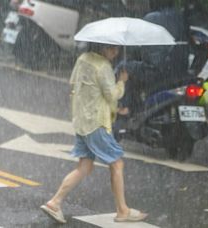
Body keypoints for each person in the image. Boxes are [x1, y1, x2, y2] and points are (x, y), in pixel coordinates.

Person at [40, 43, 147, 223]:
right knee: (117, 164)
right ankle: (122, 210)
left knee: (85, 167)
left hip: (82, 121)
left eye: (117, 49)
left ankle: (54, 202)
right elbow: (112, 95)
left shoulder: (83, 59)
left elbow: (75, 84)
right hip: (97, 123)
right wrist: (122, 81)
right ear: (102, 47)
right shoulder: (103, 66)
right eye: (111, 48)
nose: (115, 52)